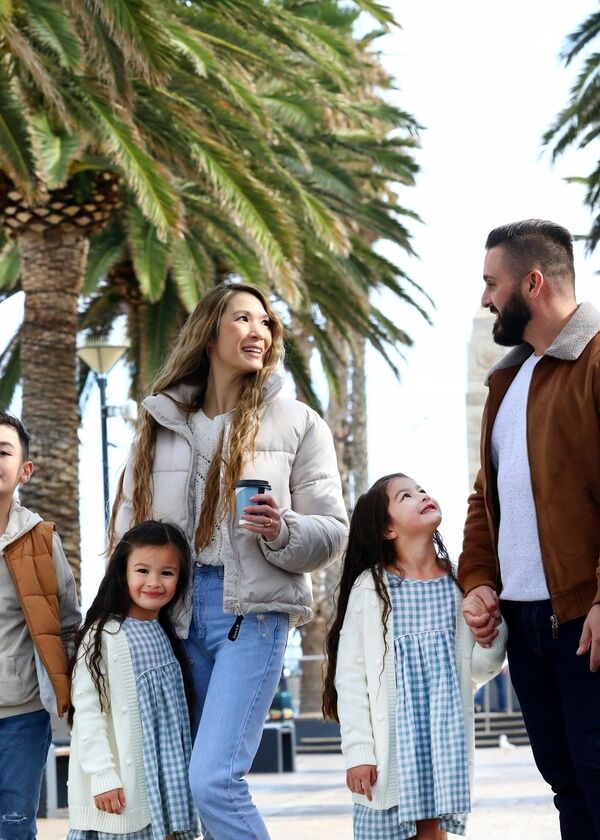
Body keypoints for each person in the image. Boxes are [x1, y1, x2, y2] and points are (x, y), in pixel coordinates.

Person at [109, 282, 348, 839]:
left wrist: (281, 530)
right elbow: (127, 532)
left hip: (253, 616)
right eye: (244, 320)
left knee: (213, 779)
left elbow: (332, 531)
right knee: (181, 784)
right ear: (211, 332)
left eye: (267, 323)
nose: (259, 332)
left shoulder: (297, 422)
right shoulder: (159, 424)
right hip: (172, 621)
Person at [458, 219, 600, 839]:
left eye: (492, 283)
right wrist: (479, 581)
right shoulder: (507, 381)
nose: (485, 298)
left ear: (533, 282)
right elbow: (484, 498)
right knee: (566, 784)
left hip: (584, 620)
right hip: (525, 624)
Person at [323, 473, 506, 840]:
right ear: (387, 530)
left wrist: (491, 635)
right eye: (406, 495)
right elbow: (350, 677)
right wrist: (358, 751)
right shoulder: (370, 589)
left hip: (443, 740)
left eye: (422, 489)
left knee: (432, 833)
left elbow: (478, 670)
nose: (422, 495)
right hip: (391, 749)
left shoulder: (457, 583)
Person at [67, 520, 199, 840]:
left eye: (167, 573)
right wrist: (103, 776)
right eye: (142, 570)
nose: (154, 582)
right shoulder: (103, 635)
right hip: (123, 791)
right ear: (122, 572)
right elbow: (88, 713)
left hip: (167, 784)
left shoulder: (169, 634)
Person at [0, 411, 80, 839]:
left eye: (2, 451)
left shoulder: (42, 539)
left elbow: (68, 623)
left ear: (24, 470)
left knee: (14, 827)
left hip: (23, 717)